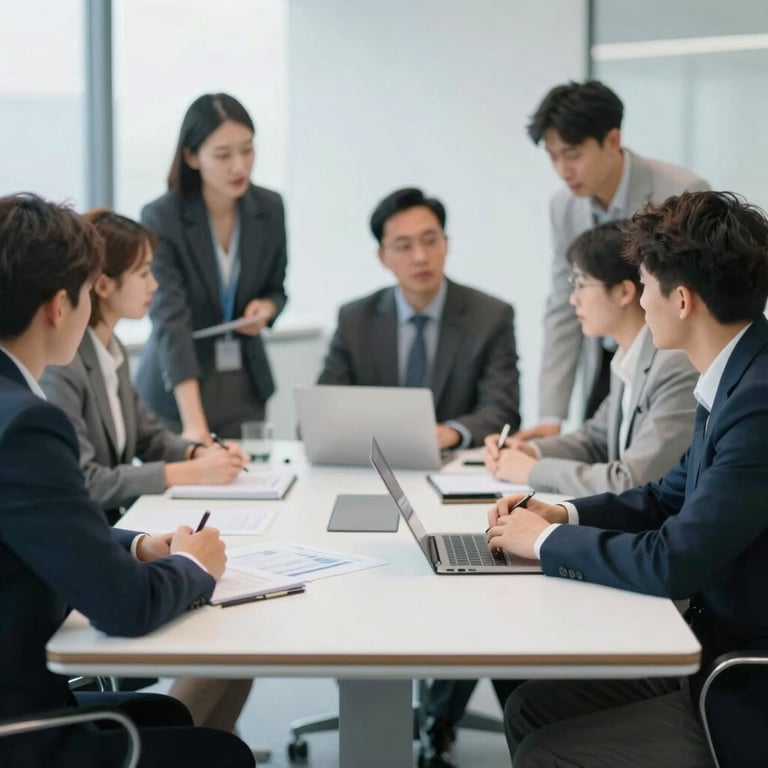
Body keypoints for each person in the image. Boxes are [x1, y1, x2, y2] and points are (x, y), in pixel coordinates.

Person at [486, 190, 768, 768]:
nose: (639, 299)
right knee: (529, 708)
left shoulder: (758, 399)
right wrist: (560, 515)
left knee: (547, 749)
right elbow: (666, 496)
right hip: (712, 647)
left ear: (682, 299)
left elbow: (675, 560)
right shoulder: (736, 374)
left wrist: (540, 545)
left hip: (741, 681)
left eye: (644, 285)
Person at [0, 193, 253, 767]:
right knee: (224, 756)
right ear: (59, 306)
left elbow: (40, 524)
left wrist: (137, 544)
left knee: (168, 716)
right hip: (21, 730)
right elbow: (124, 609)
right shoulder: (27, 424)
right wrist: (193, 567)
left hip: (21, 695)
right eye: (88, 292)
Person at [520, 80, 708, 442]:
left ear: (612, 140)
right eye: (553, 156)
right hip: (610, 359)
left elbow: (699, 298)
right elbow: (563, 303)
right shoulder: (564, 207)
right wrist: (550, 415)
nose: (562, 169)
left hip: (671, 365)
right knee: (593, 455)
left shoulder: (681, 192)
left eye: (572, 154)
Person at [483, 220, 698, 495]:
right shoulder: (629, 355)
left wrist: (530, 471)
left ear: (624, 292)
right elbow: (595, 440)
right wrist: (531, 451)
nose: (574, 299)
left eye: (581, 284)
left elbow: (631, 480)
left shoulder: (673, 364)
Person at [317, 187, 520, 449]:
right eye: (404, 246)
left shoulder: (490, 316)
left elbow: (502, 410)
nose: (421, 257)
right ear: (382, 257)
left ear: (446, 243)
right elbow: (325, 409)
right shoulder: (355, 319)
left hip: (455, 465)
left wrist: (453, 432)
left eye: (430, 240)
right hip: (379, 462)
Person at [135, 92, 288, 441]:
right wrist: (195, 427)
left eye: (248, 150)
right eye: (223, 155)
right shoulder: (162, 217)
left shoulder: (270, 209)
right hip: (179, 395)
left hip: (245, 390)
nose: (240, 166)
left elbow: (276, 288)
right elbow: (170, 320)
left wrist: (267, 308)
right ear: (191, 156)